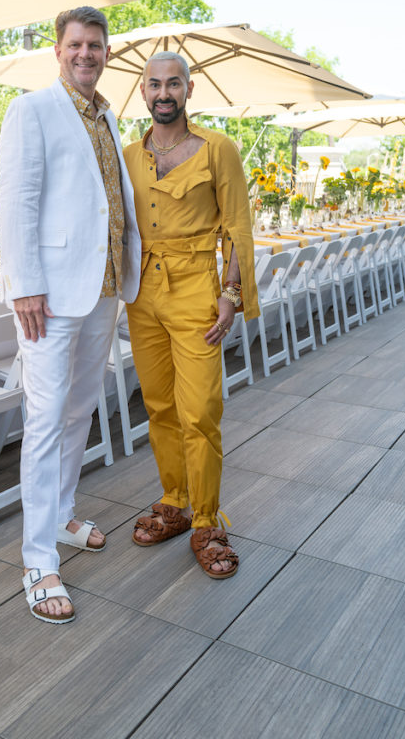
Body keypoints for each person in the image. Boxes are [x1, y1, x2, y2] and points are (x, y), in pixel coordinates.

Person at [0, 6, 141, 624]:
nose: (87, 54)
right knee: (47, 415)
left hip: (102, 287)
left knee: (80, 407)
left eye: (96, 45)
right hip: (49, 295)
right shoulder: (32, 111)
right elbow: (17, 199)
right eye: (76, 45)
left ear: (106, 52)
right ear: (58, 51)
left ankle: (61, 514)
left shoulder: (107, 114)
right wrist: (25, 284)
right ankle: (37, 560)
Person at [123, 52, 259, 578]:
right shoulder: (128, 154)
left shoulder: (217, 149)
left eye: (172, 84)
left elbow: (238, 228)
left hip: (198, 290)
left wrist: (231, 293)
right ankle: (174, 502)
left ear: (189, 89)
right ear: (143, 91)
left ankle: (206, 520)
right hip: (143, 295)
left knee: (200, 409)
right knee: (158, 405)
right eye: (154, 84)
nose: (163, 93)